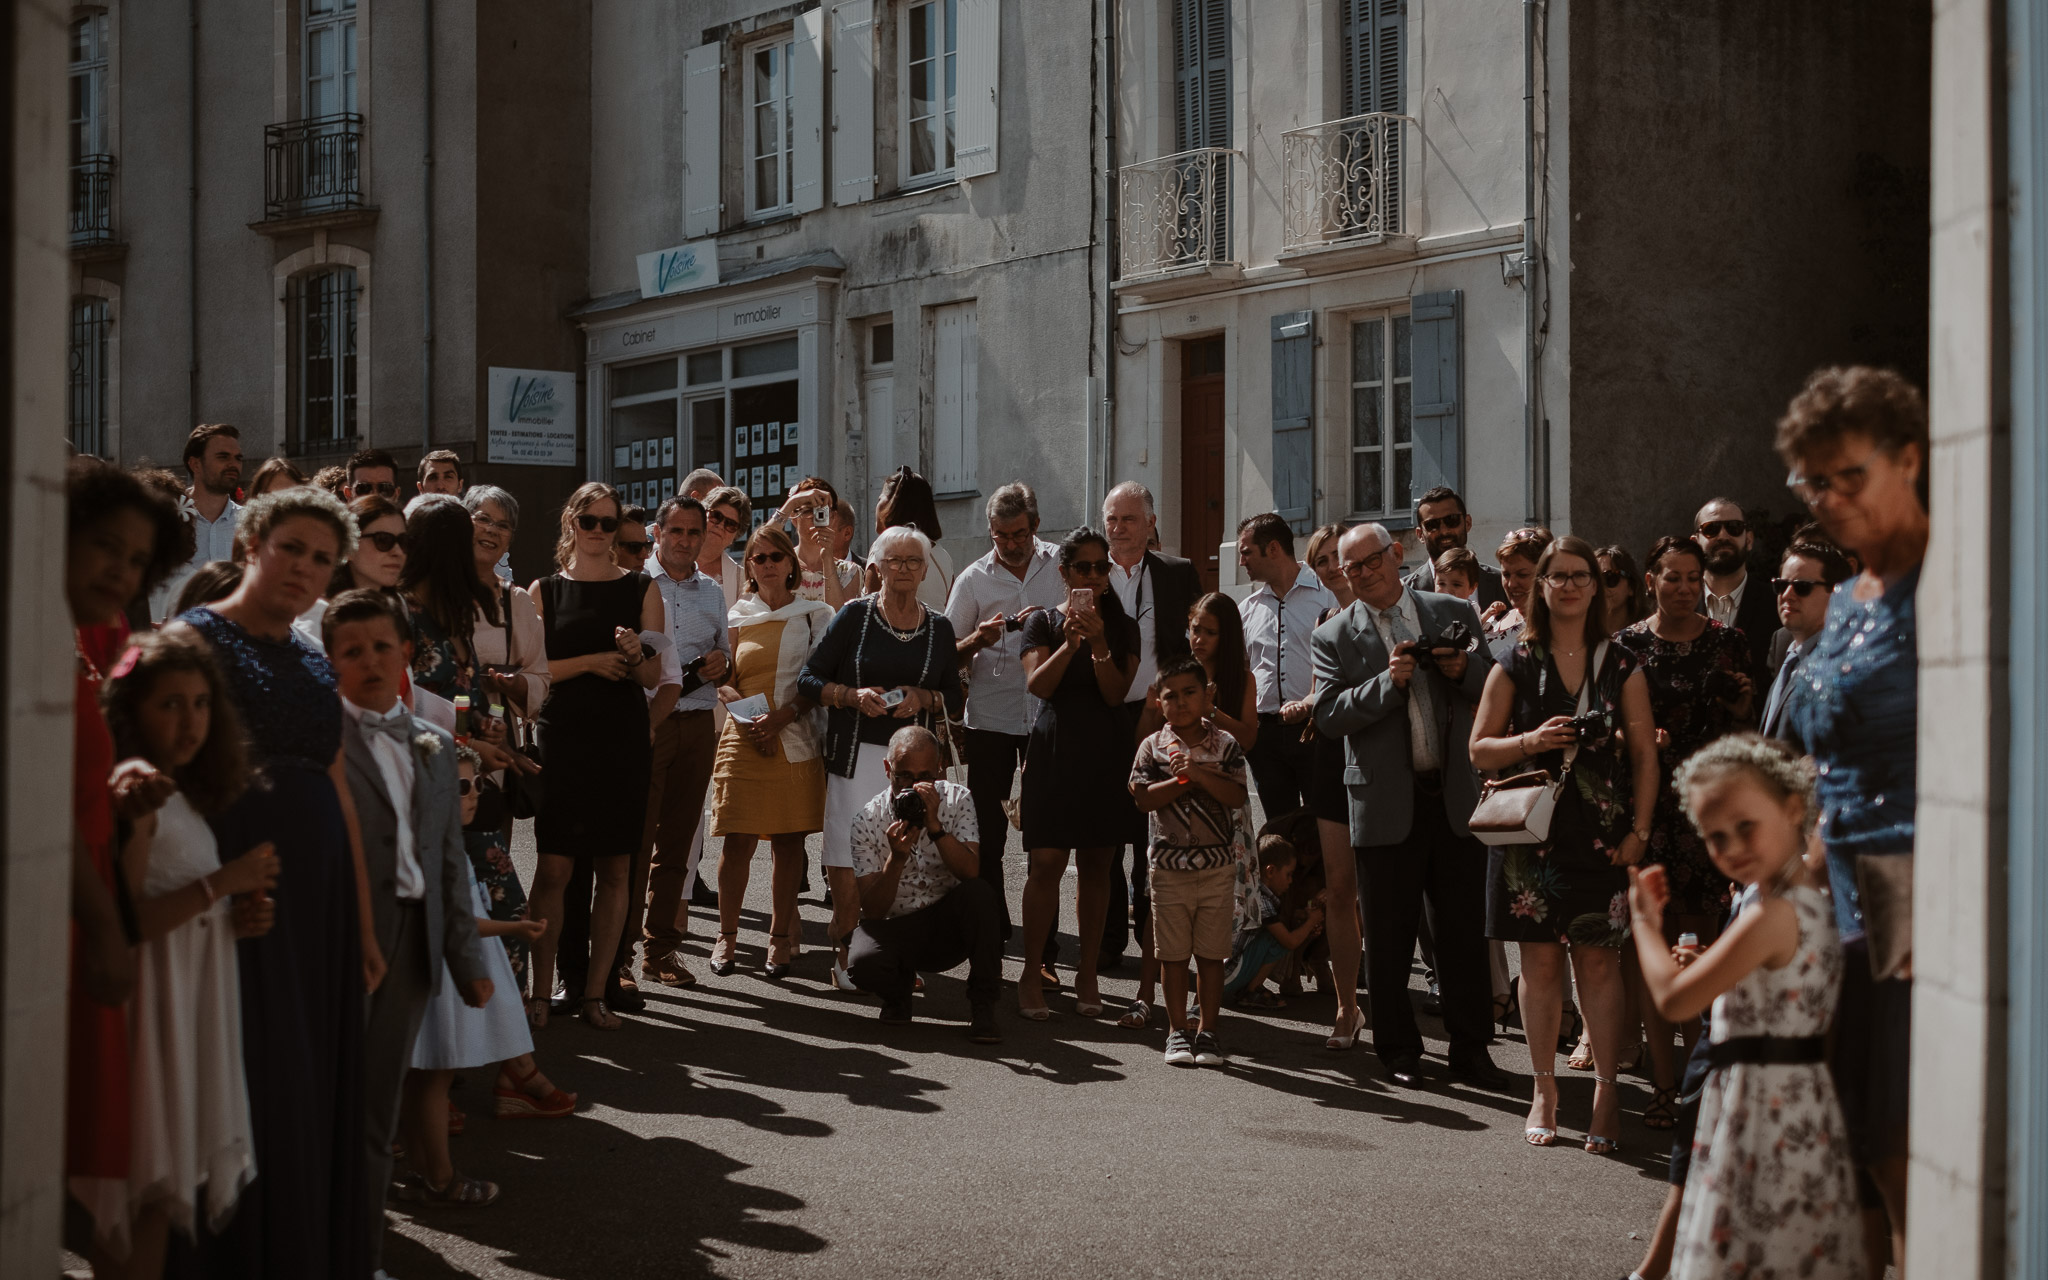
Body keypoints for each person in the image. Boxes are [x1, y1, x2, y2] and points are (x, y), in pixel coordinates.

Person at [175, 485, 378, 1280]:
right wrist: (213, 888)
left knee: (306, 1086)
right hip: (233, 894)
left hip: (318, 897)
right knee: (245, 1077)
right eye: (291, 547)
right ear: (250, 540)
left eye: (323, 559)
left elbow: (336, 790)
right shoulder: (191, 641)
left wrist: (361, 925)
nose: (304, 568)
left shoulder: (309, 656)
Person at [1776, 365, 1927, 1272]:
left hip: (1916, 895)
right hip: (1831, 893)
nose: (1829, 501)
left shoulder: (1954, 583)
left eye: (1847, 478)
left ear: (1907, 459)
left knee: (1902, 1142)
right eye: (1811, 484)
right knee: (1850, 1145)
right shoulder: (1851, 603)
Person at [1630, 736, 1862, 1280]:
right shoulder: (1808, 904)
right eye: (1715, 837)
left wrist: (1644, 922)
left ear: (1791, 808)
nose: (1732, 846)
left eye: (1745, 826)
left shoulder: (1772, 913)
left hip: (1766, 1111)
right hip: (1791, 1102)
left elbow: (1672, 999)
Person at [85, 629, 275, 1277]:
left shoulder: (180, 794)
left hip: (186, 1005)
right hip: (147, 1019)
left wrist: (233, 917)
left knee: (159, 1208)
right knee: (139, 1198)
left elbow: (189, 908)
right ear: (132, 710)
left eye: (200, 703)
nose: (189, 720)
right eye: (170, 704)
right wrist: (224, 883)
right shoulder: (138, 802)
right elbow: (128, 922)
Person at [1468, 534, 1661, 1152]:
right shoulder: (1513, 659)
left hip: (1602, 839)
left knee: (1600, 964)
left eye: (1583, 575)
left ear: (1597, 588)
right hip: (1531, 836)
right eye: (1560, 576)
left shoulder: (1622, 662)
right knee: (1542, 965)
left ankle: (1606, 1090)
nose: (1572, 585)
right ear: (1542, 588)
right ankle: (1544, 1087)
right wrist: (1532, 741)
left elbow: (1643, 758)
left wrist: (1639, 833)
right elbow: (1479, 748)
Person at [324, 589, 492, 1268]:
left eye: (381, 648)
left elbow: (449, 859)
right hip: (337, 941)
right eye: (351, 652)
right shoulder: (318, 737)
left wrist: (468, 960)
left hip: (411, 944)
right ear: (330, 661)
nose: (368, 661)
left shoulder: (433, 743)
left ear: (406, 654)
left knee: (375, 1113)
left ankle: (357, 1250)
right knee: (328, 1103)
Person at [1312, 522, 1507, 1090]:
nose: (1365, 574)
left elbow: (1494, 683)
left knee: (1463, 935)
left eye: (1373, 561)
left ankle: (1472, 1049)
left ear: (1396, 554)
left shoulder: (1453, 609)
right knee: (1390, 937)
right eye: (1352, 569)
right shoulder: (1334, 636)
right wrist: (1385, 684)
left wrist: (1461, 669)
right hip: (1384, 802)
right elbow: (1328, 715)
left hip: (1453, 797)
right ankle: (1398, 1051)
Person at [63, 458, 184, 1266]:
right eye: (105, 546)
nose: (122, 570)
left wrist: (119, 785)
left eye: (138, 559)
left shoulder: (94, 633)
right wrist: (106, 925)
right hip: (64, 920)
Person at [1614, 535, 1756, 1124]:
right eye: (1670, 577)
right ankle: (1664, 1086)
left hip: (1706, 812)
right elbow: (1610, 726)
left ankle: (1700, 1084)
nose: (1681, 587)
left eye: (1691, 577)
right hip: (1648, 806)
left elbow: (1746, 725)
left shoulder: (1729, 642)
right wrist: (1634, 738)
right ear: (1650, 580)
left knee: (1696, 947)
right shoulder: (1625, 646)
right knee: (1653, 944)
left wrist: (1743, 702)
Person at [525, 483, 670, 1030]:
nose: (599, 532)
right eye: (590, 521)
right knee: (555, 866)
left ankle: (593, 995)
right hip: (562, 737)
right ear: (571, 523)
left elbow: (654, 675)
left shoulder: (640, 588)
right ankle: (541, 993)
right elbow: (532, 672)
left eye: (609, 524)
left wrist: (635, 656)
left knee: (615, 868)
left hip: (621, 739)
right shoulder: (543, 591)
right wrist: (589, 660)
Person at [799, 525, 964, 987]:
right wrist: (850, 696)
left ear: (926, 567)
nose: (905, 570)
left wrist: (923, 696)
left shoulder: (940, 627)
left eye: (914, 561)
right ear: (876, 566)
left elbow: (954, 696)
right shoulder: (853, 616)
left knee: (909, 861)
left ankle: (897, 955)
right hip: (855, 759)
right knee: (850, 861)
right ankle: (846, 954)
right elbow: (809, 680)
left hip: (913, 771)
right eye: (895, 561)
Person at [398, 744, 553, 1211]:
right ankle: (440, 1178)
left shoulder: (444, 843)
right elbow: (451, 920)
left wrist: (511, 927)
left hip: (452, 961)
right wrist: (513, 928)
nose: (472, 795)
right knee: (434, 1077)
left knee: (428, 1079)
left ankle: (425, 1168)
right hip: (443, 972)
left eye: (478, 785)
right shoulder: (432, 849)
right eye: (461, 786)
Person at [1013, 529, 1141, 1019]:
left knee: (1097, 864)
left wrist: (1100, 641)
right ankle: (1031, 973)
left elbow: (1114, 694)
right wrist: (1069, 644)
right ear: (1064, 574)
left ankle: (1088, 972)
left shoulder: (1123, 627)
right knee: (1045, 863)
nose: (1094, 575)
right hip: (1054, 748)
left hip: (1105, 751)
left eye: (1101, 567)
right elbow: (1038, 687)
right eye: (1083, 568)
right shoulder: (1043, 623)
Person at [944, 483, 1064, 951]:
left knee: (1045, 836)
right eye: (1000, 536)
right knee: (988, 836)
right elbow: (946, 652)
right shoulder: (974, 578)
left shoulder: (1061, 564)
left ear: (1035, 526)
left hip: (1046, 715)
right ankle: (992, 931)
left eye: (1018, 534)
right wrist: (978, 639)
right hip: (990, 718)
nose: (1011, 545)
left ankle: (1045, 946)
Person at [708, 525, 832, 977]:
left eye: (776, 556)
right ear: (750, 568)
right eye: (758, 558)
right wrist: (732, 700)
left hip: (794, 736)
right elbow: (723, 675)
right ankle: (727, 936)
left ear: (791, 564)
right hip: (744, 737)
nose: (767, 565)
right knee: (737, 841)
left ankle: (781, 938)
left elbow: (819, 677)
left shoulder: (814, 613)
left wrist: (783, 717)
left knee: (787, 842)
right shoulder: (738, 615)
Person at [1129, 657, 1252, 1066]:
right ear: (1158, 701)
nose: (1180, 703)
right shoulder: (1151, 746)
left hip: (1217, 869)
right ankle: (1177, 1031)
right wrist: (1179, 780)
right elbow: (1143, 797)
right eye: (1171, 696)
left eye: (1189, 693)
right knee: (1173, 954)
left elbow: (1236, 796)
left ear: (1207, 695)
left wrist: (1199, 775)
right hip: (1168, 870)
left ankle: (1209, 1031)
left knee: (1211, 954)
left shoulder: (1226, 745)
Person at [846, 726, 1004, 1042]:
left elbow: (971, 871)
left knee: (981, 895)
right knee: (861, 963)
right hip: (899, 927)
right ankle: (897, 993)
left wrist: (935, 826)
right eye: (903, 776)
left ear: (939, 770)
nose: (914, 787)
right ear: (887, 768)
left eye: (925, 777)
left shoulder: (958, 800)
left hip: (949, 925)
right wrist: (896, 858)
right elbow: (873, 910)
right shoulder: (867, 820)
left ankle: (983, 1005)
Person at [1100, 481, 1202, 962]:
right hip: (1101, 714)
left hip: (1159, 717)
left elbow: (1197, 646)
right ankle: (1107, 941)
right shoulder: (1089, 571)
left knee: (1154, 832)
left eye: (1128, 520)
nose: (1118, 529)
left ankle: (1153, 943)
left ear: (1150, 524)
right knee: (1104, 834)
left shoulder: (1178, 573)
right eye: (1112, 519)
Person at [634, 495, 730, 988]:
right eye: (677, 531)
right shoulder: (634, 581)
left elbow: (726, 654)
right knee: (634, 839)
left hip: (696, 724)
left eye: (694, 532)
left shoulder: (711, 591)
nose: (685, 541)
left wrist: (721, 664)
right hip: (649, 721)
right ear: (657, 532)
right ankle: (615, 957)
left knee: (677, 844)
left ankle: (659, 952)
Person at [1299, 522, 1368, 1044]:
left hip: (1382, 762)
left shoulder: (1396, 612)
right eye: (1321, 560)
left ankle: (1388, 1002)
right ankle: (1347, 1007)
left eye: (1336, 557)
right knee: (1340, 890)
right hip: (1331, 757)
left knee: (1384, 894)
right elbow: (1321, 698)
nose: (1331, 568)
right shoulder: (1324, 621)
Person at [1235, 512, 1334, 815]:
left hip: (1316, 729)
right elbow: (1241, 669)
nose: (1242, 562)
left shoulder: (1327, 597)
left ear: (1274, 548)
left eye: (1246, 552)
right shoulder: (1248, 609)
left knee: (1323, 822)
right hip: (1265, 737)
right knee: (1279, 827)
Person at [1760, 538, 1854, 738]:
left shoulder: (1845, 662)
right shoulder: (1785, 650)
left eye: (1802, 587)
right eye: (1781, 585)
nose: (1787, 595)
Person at [295, 494, 408, 650]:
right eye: (383, 540)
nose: (398, 552)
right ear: (349, 547)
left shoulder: (398, 607)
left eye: (403, 541)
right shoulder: (318, 617)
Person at [1222, 836, 1325, 1006]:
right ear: (1270, 871)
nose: (1291, 881)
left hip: (1223, 971)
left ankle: (1249, 987)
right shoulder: (1262, 902)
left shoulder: (1250, 891)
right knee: (1277, 939)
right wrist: (1311, 921)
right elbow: (1289, 942)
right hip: (1229, 974)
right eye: (1288, 874)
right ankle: (1251, 991)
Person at [1692, 498, 1778, 679]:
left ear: (1748, 539)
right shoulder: (1679, 604)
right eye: (1711, 529)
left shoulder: (1777, 603)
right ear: (1695, 543)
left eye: (1734, 527)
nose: (1723, 536)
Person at [1404, 485, 1508, 609]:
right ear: (1420, 534)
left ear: (1467, 523)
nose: (1444, 531)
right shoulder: (1405, 591)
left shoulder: (1503, 582)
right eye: (1432, 525)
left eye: (1451, 520)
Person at [872, 465, 953, 609]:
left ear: (891, 505)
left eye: (880, 499)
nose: (876, 506)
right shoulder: (944, 556)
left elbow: (870, 611)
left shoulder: (883, 549)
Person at [780, 477, 859, 606]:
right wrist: (791, 503)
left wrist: (827, 559)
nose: (815, 517)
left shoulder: (848, 572)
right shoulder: (777, 564)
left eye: (822, 511)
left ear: (832, 518)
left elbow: (839, 620)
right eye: (808, 510)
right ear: (794, 518)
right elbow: (759, 544)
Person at [1486, 526, 1554, 650]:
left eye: (1522, 575)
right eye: (1506, 575)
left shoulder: (1556, 628)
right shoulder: (1496, 618)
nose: (1511, 584)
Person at [699, 484, 752, 607]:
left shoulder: (742, 581)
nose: (721, 525)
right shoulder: (670, 560)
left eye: (731, 524)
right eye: (716, 516)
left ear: (736, 535)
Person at [1596, 544, 1649, 630]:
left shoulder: (1649, 633)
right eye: (1595, 580)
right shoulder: (1579, 635)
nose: (1602, 587)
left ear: (1631, 587)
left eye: (1610, 578)